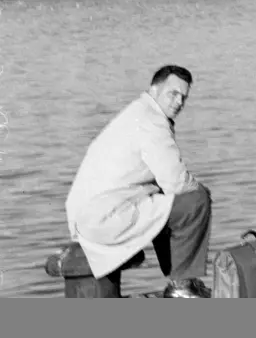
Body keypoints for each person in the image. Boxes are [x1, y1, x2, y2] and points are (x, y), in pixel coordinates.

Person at [65, 65, 213, 298]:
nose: (179, 102)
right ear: (154, 89)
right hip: (105, 219)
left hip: (87, 217)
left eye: (184, 97)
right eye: (172, 94)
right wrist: (198, 187)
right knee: (197, 199)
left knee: (166, 202)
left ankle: (179, 281)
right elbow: (177, 182)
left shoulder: (137, 112)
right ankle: (181, 286)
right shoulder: (151, 121)